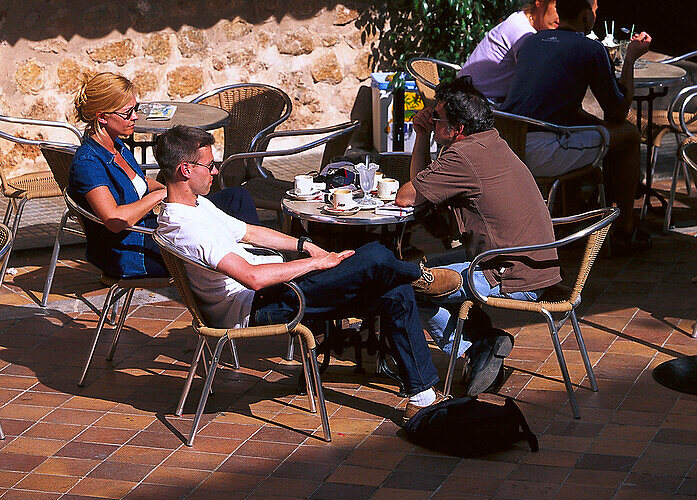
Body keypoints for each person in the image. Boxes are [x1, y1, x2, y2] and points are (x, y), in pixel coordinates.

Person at [153, 125, 463, 421]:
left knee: (392, 288)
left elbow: (249, 232)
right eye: (210, 166)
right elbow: (253, 278)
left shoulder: (196, 206)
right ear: (186, 170)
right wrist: (316, 264)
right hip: (260, 304)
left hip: (276, 289)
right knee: (376, 255)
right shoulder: (186, 228)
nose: (216, 171)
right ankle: (419, 276)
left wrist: (306, 245)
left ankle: (422, 397)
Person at [395, 76, 561, 396]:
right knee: (416, 268)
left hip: (505, 273)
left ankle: (474, 348)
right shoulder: (490, 141)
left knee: (406, 286)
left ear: (456, 128)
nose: (431, 119)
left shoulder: (462, 158)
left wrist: (422, 137)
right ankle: (485, 340)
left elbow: (407, 196)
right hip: (529, 265)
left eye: (436, 117)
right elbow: (423, 189)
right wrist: (423, 136)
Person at [502, 0, 652, 255]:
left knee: (584, 130)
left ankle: (573, 219)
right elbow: (617, 112)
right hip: (541, 150)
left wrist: (599, 127)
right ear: (586, 16)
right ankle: (625, 230)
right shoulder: (589, 49)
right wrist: (630, 59)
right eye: (594, 11)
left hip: (509, 144)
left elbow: (558, 105)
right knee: (628, 135)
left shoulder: (530, 42)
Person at [68, 72, 258, 279]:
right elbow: (115, 220)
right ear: (102, 116)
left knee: (236, 198)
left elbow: (138, 182)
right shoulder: (89, 163)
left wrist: (166, 189)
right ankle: (250, 272)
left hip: (150, 231)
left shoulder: (117, 145)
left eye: (136, 108)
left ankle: (252, 264)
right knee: (211, 230)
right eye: (127, 112)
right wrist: (160, 195)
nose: (135, 117)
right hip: (134, 251)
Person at [459, 0, 569, 103]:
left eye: (567, 10)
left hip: (477, 99)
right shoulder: (523, 33)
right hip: (472, 105)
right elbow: (536, 84)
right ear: (539, 2)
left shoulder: (522, 20)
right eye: (558, 8)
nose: (563, 16)